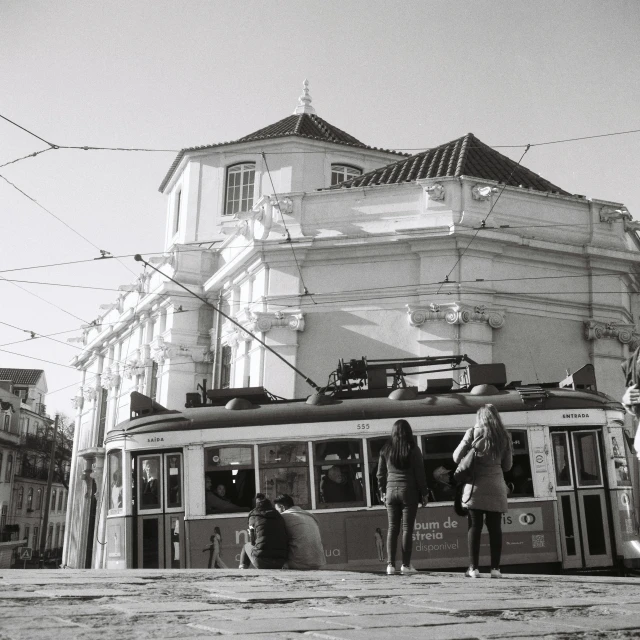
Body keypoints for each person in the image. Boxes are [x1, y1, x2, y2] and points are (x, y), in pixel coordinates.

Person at [453, 404, 513, 579]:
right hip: (496, 488)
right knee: (495, 528)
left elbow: (456, 457)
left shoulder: (472, 433)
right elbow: (507, 466)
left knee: (474, 527)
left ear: (480, 417)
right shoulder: (504, 436)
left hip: (475, 489)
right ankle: (495, 569)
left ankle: (474, 568)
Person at [377, 419, 428, 575]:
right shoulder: (413, 449)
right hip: (409, 492)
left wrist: (382, 492)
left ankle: (390, 565)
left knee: (392, 528)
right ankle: (406, 565)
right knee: (407, 529)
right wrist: (424, 493)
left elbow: (380, 474)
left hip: (391, 492)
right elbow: (420, 474)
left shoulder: (385, 450)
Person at [273, 494, 326, 570]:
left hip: (299, 563)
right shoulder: (309, 515)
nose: (277, 512)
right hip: (319, 562)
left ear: (282, 507)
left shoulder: (283, 517)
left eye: (277, 509)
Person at [238, 493, 288, 569]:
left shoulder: (253, 515)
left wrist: (250, 533)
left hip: (262, 561)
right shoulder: (278, 515)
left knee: (246, 546)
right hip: (280, 561)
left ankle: (242, 570)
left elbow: (253, 541)